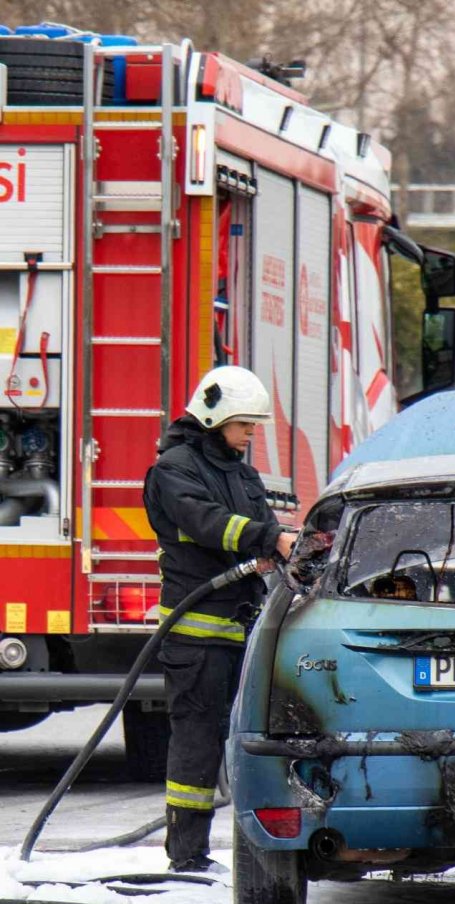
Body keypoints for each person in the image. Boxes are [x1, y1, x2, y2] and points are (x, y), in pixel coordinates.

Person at [143, 365, 295, 873]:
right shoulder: (174, 469)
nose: (251, 435)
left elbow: (263, 523)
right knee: (198, 739)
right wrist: (264, 539)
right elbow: (206, 523)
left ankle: (258, 849)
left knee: (253, 738)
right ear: (216, 417)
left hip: (245, 626)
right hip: (197, 632)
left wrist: (282, 540)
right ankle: (187, 855)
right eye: (244, 425)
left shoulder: (240, 470)